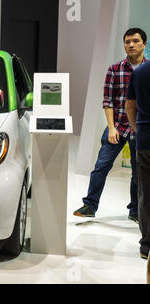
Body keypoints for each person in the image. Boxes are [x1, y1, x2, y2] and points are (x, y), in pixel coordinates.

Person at [73, 28, 148, 222]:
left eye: (135, 41)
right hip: (118, 126)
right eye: (127, 41)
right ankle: (90, 205)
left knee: (138, 173)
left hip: (140, 128)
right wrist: (112, 128)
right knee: (101, 165)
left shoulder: (147, 71)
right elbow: (108, 101)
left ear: (144, 44)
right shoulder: (115, 69)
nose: (130, 45)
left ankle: (135, 210)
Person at [126, 60, 150, 260]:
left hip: (145, 140)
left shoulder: (140, 72)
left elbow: (129, 107)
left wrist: (138, 129)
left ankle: (147, 246)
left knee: (146, 192)